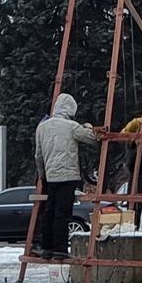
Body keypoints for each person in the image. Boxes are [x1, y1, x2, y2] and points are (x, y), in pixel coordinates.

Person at [33, 93, 98, 258]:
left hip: (50, 176)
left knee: (50, 211)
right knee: (63, 213)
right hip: (68, 175)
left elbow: (38, 155)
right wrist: (89, 127)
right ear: (71, 109)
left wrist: (43, 175)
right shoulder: (71, 126)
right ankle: (60, 249)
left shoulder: (42, 127)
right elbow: (92, 139)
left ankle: (46, 246)